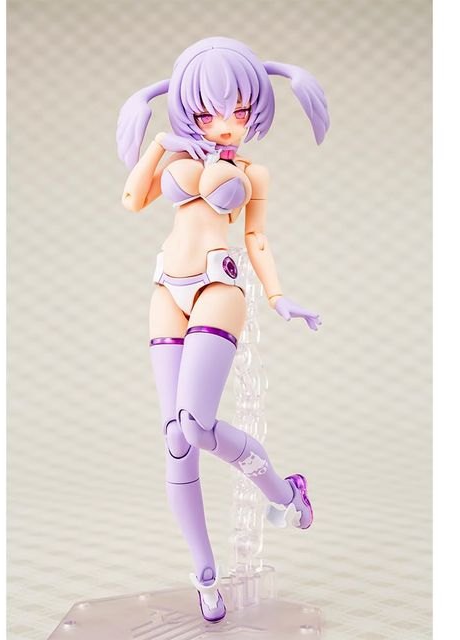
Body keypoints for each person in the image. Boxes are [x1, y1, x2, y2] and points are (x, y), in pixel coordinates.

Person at [117, 36, 329, 623]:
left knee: (197, 424)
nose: (227, 124)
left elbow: (255, 236)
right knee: (175, 439)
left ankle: (285, 492)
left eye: (239, 110)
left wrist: (279, 296)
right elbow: (132, 198)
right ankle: (205, 577)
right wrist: (161, 143)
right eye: (209, 113)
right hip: (166, 288)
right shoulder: (177, 154)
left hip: (218, 285)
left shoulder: (252, 171)